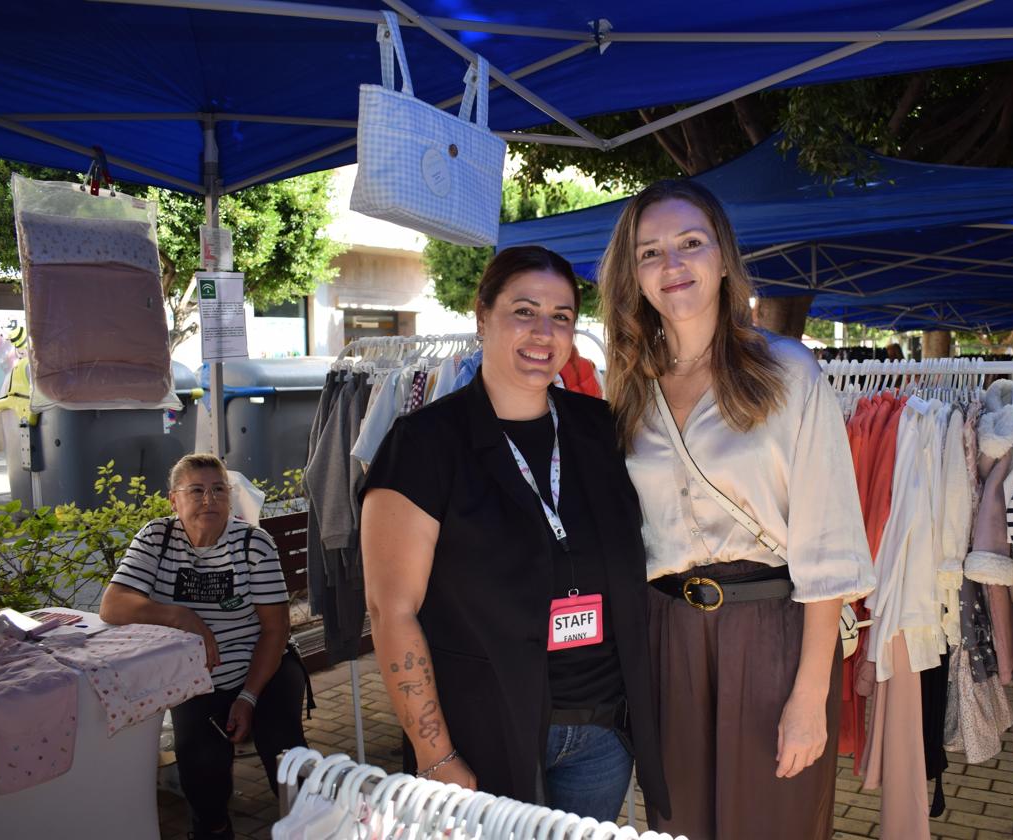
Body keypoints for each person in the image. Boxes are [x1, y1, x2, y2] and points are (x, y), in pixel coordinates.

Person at [598, 180, 875, 839]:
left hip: (773, 635)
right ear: (633, 275)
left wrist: (811, 696)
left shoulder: (787, 372)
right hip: (666, 637)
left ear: (723, 259)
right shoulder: (629, 388)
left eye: (690, 244)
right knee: (679, 825)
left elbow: (828, 545)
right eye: (650, 252)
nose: (672, 265)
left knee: (773, 824)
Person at [361, 245, 670, 822]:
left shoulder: (599, 429)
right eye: (524, 311)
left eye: (561, 317)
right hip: (482, 734)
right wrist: (435, 754)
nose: (543, 332)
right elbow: (391, 610)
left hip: (601, 733)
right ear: (482, 316)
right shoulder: (425, 442)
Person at [100, 453, 307, 840]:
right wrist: (182, 617)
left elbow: (276, 630)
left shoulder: (252, 545)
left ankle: (308, 826)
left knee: (286, 755)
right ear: (173, 500)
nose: (209, 500)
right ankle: (213, 829)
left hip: (264, 668)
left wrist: (247, 697)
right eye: (196, 490)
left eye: (218, 490)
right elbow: (113, 605)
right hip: (194, 679)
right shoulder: (156, 538)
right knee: (201, 768)